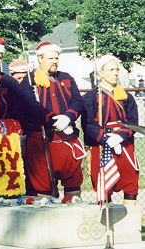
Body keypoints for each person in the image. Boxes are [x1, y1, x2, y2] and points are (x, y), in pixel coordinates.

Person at [20, 42, 85, 201]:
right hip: (42, 141)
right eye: (50, 58)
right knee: (43, 189)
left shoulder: (66, 78)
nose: (54, 61)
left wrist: (68, 117)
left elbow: (77, 101)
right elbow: (29, 105)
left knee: (73, 184)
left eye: (56, 58)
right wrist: (51, 119)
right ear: (40, 58)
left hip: (67, 138)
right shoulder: (29, 80)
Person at [82, 54, 139, 205]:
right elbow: (88, 124)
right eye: (111, 69)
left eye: (117, 70)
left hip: (124, 145)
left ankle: (129, 226)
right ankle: (107, 226)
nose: (115, 73)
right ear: (101, 73)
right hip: (101, 146)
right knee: (103, 184)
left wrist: (121, 136)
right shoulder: (91, 97)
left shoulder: (126, 97)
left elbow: (133, 122)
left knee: (130, 183)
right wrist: (105, 138)